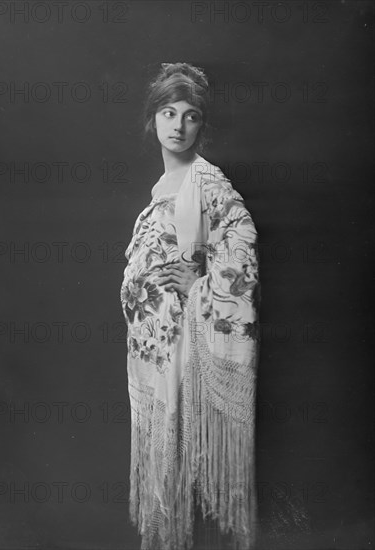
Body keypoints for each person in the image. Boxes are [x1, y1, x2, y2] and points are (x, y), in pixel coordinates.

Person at [120, 62, 260, 550]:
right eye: (168, 112)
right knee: (165, 474)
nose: (178, 126)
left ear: (203, 124)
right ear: (152, 120)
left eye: (191, 115)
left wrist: (203, 284)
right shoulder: (163, 188)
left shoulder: (207, 182)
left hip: (186, 349)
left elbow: (240, 239)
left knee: (184, 470)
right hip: (157, 352)